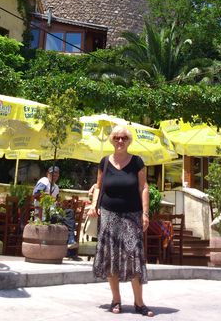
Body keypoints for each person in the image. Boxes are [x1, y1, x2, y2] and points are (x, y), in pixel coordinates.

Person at [88, 126, 154, 316]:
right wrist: (94, 205)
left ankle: (139, 303)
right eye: (116, 137)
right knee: (111, 258)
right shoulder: (105, 162)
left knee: (134, 257)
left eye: (124, 138)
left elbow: (144, 187)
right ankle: (116, 300)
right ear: (111, 140)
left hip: (132, 215)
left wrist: (145, 213)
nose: (120, 141)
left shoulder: (137, 162)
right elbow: (99, 187)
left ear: (129, 140)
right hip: (108, 215)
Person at [33, 166, 79, 256]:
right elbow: (36, 194)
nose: (54, 176)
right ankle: (70, 248)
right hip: (43, 213)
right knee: (67, 221)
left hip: (53, 212)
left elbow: (57, 201)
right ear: (47, 174)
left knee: (69, 213)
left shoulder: (56, 187)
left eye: (56, 174)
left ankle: (71, 242)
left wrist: (59, 204)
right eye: (52, 174)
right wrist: (48, 197)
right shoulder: (44, 181)